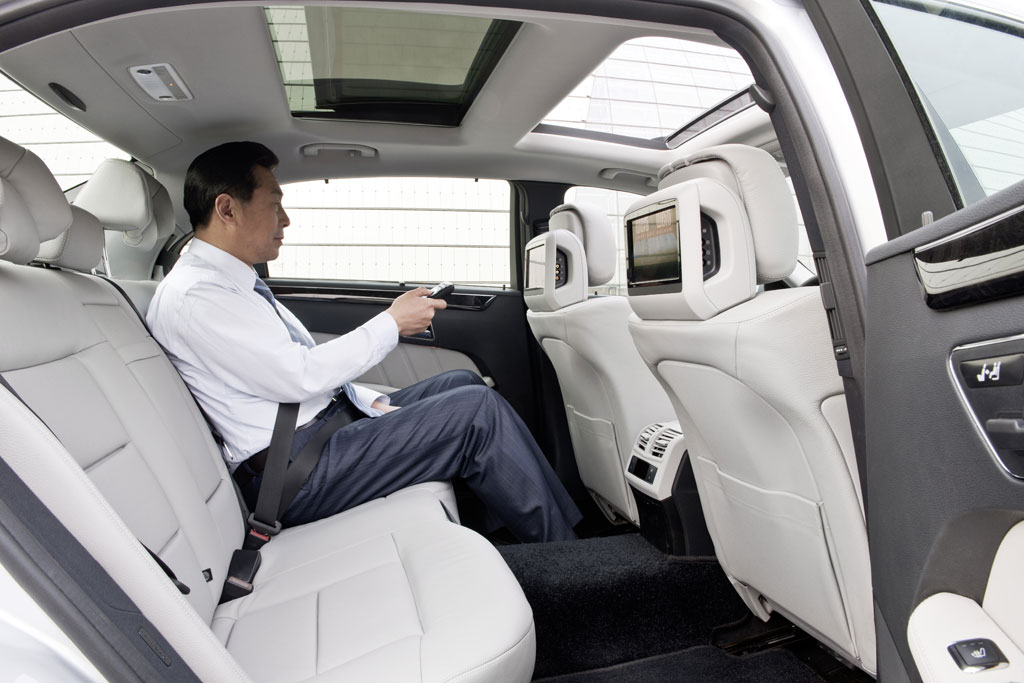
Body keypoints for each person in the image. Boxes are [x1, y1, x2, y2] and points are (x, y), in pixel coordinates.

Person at [147, 141, 582, 542]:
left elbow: (289, 370)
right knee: (476, 412)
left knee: (461, 383)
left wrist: (367, 401)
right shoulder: (197, 296)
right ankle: (565, 558)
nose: (285, 219)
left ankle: (515, 539)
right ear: (227, 209)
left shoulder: (228, 283)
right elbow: (297, 376)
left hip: (315, 435)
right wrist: (391, 323)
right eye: (274, 204)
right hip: (293, 470)